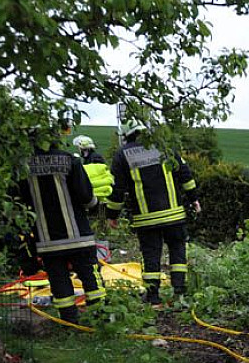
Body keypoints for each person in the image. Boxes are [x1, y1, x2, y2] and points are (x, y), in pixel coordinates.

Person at [106, 119, 200, 305]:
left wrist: (112, 215)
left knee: (151, 255)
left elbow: (117, 189)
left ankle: (153, 296)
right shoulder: (164, 147)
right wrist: (194, 199)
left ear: (125, 135)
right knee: (177, 250)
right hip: (174, 215)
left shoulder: (122, 155)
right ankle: (179, 292)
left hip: (146, 219)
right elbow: (185, 175)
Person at [16, 133, 106, 324]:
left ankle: (69, 323)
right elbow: (86, 197)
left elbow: (20, 201)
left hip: (47, 241)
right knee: (90, 278)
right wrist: (95, 205)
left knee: (59, 282)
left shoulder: (23, 165)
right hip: (79, 237)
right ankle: (102, 321)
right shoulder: (69, 160)